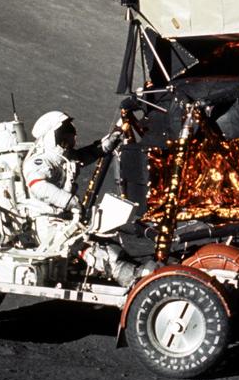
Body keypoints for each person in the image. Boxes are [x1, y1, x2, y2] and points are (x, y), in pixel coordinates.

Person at [22, 111, 146, 287]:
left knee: (103, 241)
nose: (72, 134)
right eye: (66, 130)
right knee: (88, 247)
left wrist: (112, 139)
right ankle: (131, 277)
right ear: (53, 135)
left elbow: (91, 153)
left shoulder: (63, 158)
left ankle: (130, 271)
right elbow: (38, 186)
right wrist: (70, 202)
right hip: (47, 225)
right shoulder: (40, 161)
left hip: (64, 222)